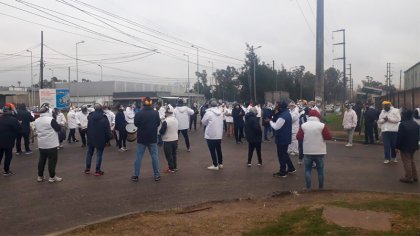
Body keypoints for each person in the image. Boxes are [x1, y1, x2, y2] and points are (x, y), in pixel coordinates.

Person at [296, 110, 332, 190]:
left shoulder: (303, 125)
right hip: (320, 151)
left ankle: (308, 188)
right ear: (318, 117)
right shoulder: (322, 125)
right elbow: (328, 137)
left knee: (308, 170)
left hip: (307, 151)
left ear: (309, 116)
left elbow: (299, 137)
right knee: (320, 170)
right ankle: (320, 188)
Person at [131, 97, 161, 182]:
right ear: (151, 103)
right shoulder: (156, 113)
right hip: (152, 138)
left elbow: (136, 124)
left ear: (143, 104)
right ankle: (156, 175)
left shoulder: (139, 113)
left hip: (142, 138)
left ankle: (136, 175)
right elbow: (158, 123)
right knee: (154, 157)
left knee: (138, 157)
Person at [34, 103, 62, 183]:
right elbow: (58, 129)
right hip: (51, 144)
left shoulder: (37, 120)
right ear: (48, 111)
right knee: (52, 160)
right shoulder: (50, 120)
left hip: (41, 144)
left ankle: (40, 176)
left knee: (41, 160)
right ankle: (52, 177)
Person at [268, 100, 296, 178]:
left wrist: (270, 122)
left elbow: (276, 127)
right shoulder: (286, 113)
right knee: (284, 153)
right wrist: (274, 113)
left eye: (277, 105)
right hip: (285, 137)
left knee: (281, 155)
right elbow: (275, 117)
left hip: (282, 138)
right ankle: (291, 168)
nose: (275, 106)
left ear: (280, 106)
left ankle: (282, 172)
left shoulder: (283, 116)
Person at [84, 103, 112, 176]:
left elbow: (88, 127)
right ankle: (97, 170)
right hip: (101, 138)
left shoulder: (90, 116)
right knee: (99, 155)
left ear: (95, 108)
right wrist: (109, 138)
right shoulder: (104, 117)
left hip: (91, 138)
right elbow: (107, 129)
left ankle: (87, 169)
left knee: (89, 153)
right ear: (101, 109)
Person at [396, 110, 419, 183]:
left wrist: (396, 147)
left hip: (405, 146)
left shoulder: (402, 124)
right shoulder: (415, 123)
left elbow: (400, 137)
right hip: (414, 145)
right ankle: (415, 176)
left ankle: (409, 177)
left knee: (407, 161)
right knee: (412, 160)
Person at [201, 99, 224, 170]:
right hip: (219, 134)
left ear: (210, 105)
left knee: (212, 150)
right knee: (219, 149)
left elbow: (203, 122)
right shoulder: (220, 112)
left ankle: (215, 165)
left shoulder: (208, 112)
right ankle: (220, 163)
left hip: (211, 134)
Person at [0, 103, 22, 176]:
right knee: (8, 156)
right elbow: (19, 129)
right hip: (9, 141)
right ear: (10, 111)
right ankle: (6, 171)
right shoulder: (13, 120)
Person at [159, 105, 179, 173]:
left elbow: (161, 131)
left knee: (168, 155)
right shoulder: (175, 119)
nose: (165, 113)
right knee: (174, 154)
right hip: (175, 139)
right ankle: (175, 167)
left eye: (165, 112)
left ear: (167, 113)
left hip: (167, 140)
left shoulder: (166, 121)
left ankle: (171, 168)